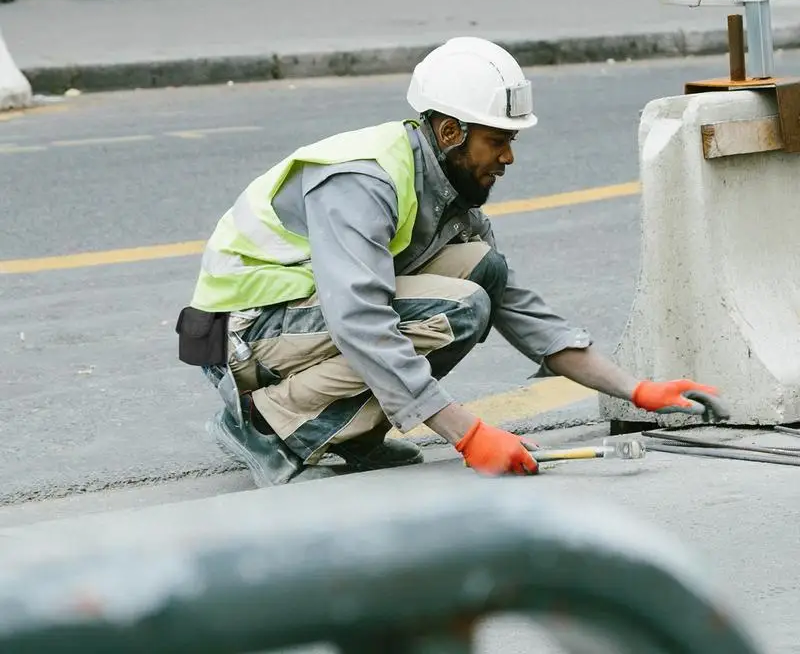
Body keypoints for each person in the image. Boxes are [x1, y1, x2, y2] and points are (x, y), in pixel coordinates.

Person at [177, 36, 728, 488]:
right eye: (498, 141)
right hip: (243, 334)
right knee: (459, 307)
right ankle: (267, 424)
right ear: (449, 132)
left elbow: (520, 308)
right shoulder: (363, 181)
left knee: (482, 271)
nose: (509, 157)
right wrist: (467, 433)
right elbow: (359, 321)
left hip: (295, 321)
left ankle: (349, 435)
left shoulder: (446, 190)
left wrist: (635, 389)